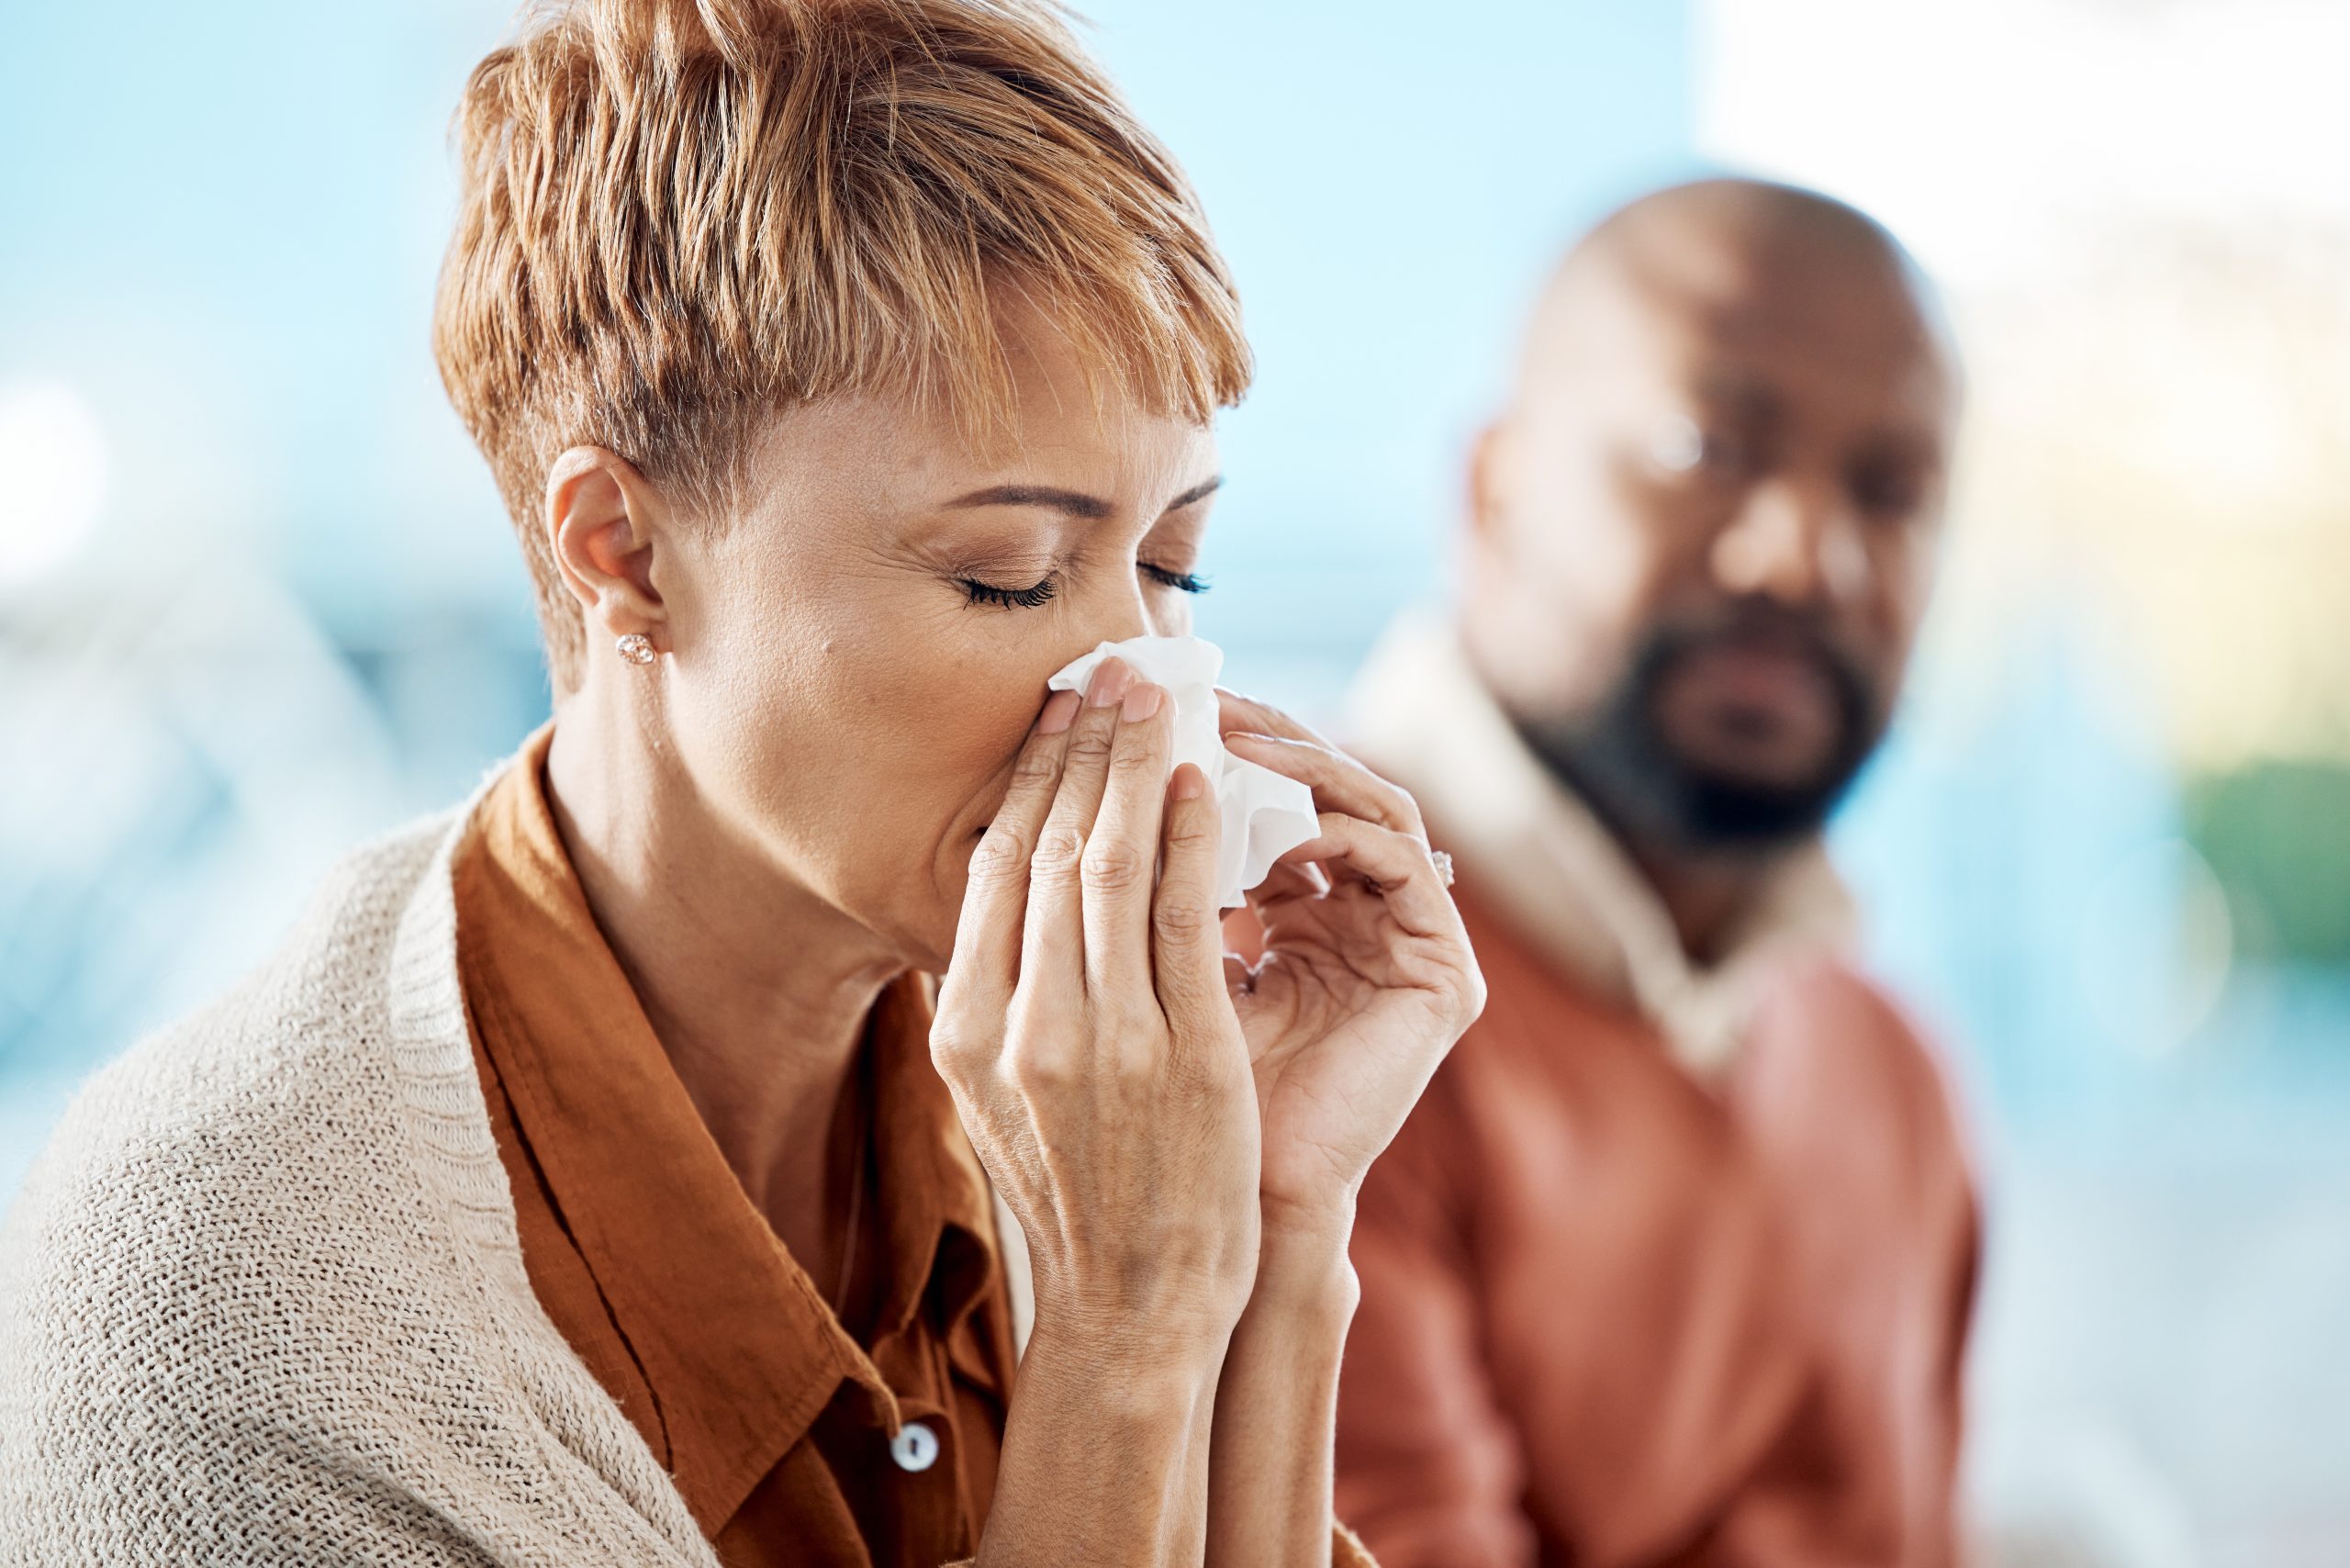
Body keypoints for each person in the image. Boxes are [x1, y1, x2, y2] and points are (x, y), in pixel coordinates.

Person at [0, 4, 1483, 1563]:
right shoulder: (228, 1302)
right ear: (624, 555)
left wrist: (1270, 1222)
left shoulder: (1063, 1101)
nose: (1145, 683)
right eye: (1011, 574)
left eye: (1173, 562)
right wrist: (1123, 1334)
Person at [1331, 179, 1978, 1567]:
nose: (1805, 553)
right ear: (1491, 486)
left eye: (1893, 489)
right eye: (1708, 446)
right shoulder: (1292, 988)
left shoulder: (1895, 1077)